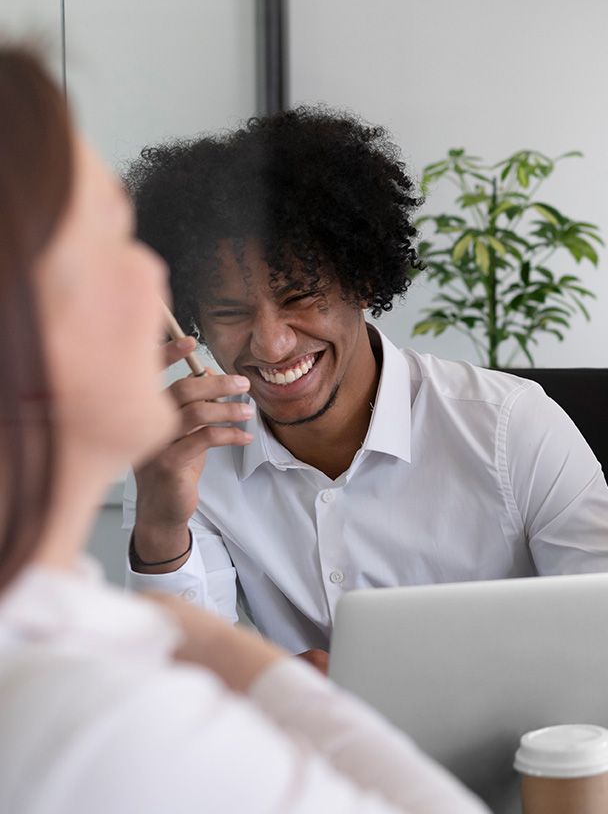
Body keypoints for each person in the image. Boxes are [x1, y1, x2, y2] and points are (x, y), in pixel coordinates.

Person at [0, 44, 491, 814]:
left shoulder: (60, 631)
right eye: (106, 243)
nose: (151, 279)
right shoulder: (89, 712)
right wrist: (255, 670)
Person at [123, 108, 608, 665]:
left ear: (363, 280)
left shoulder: (512, 429)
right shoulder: (182, 459)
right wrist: (160, 526)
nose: (272, 345)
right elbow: (186, 682)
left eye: (300, 297)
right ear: (193, 319)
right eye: (230, 312)